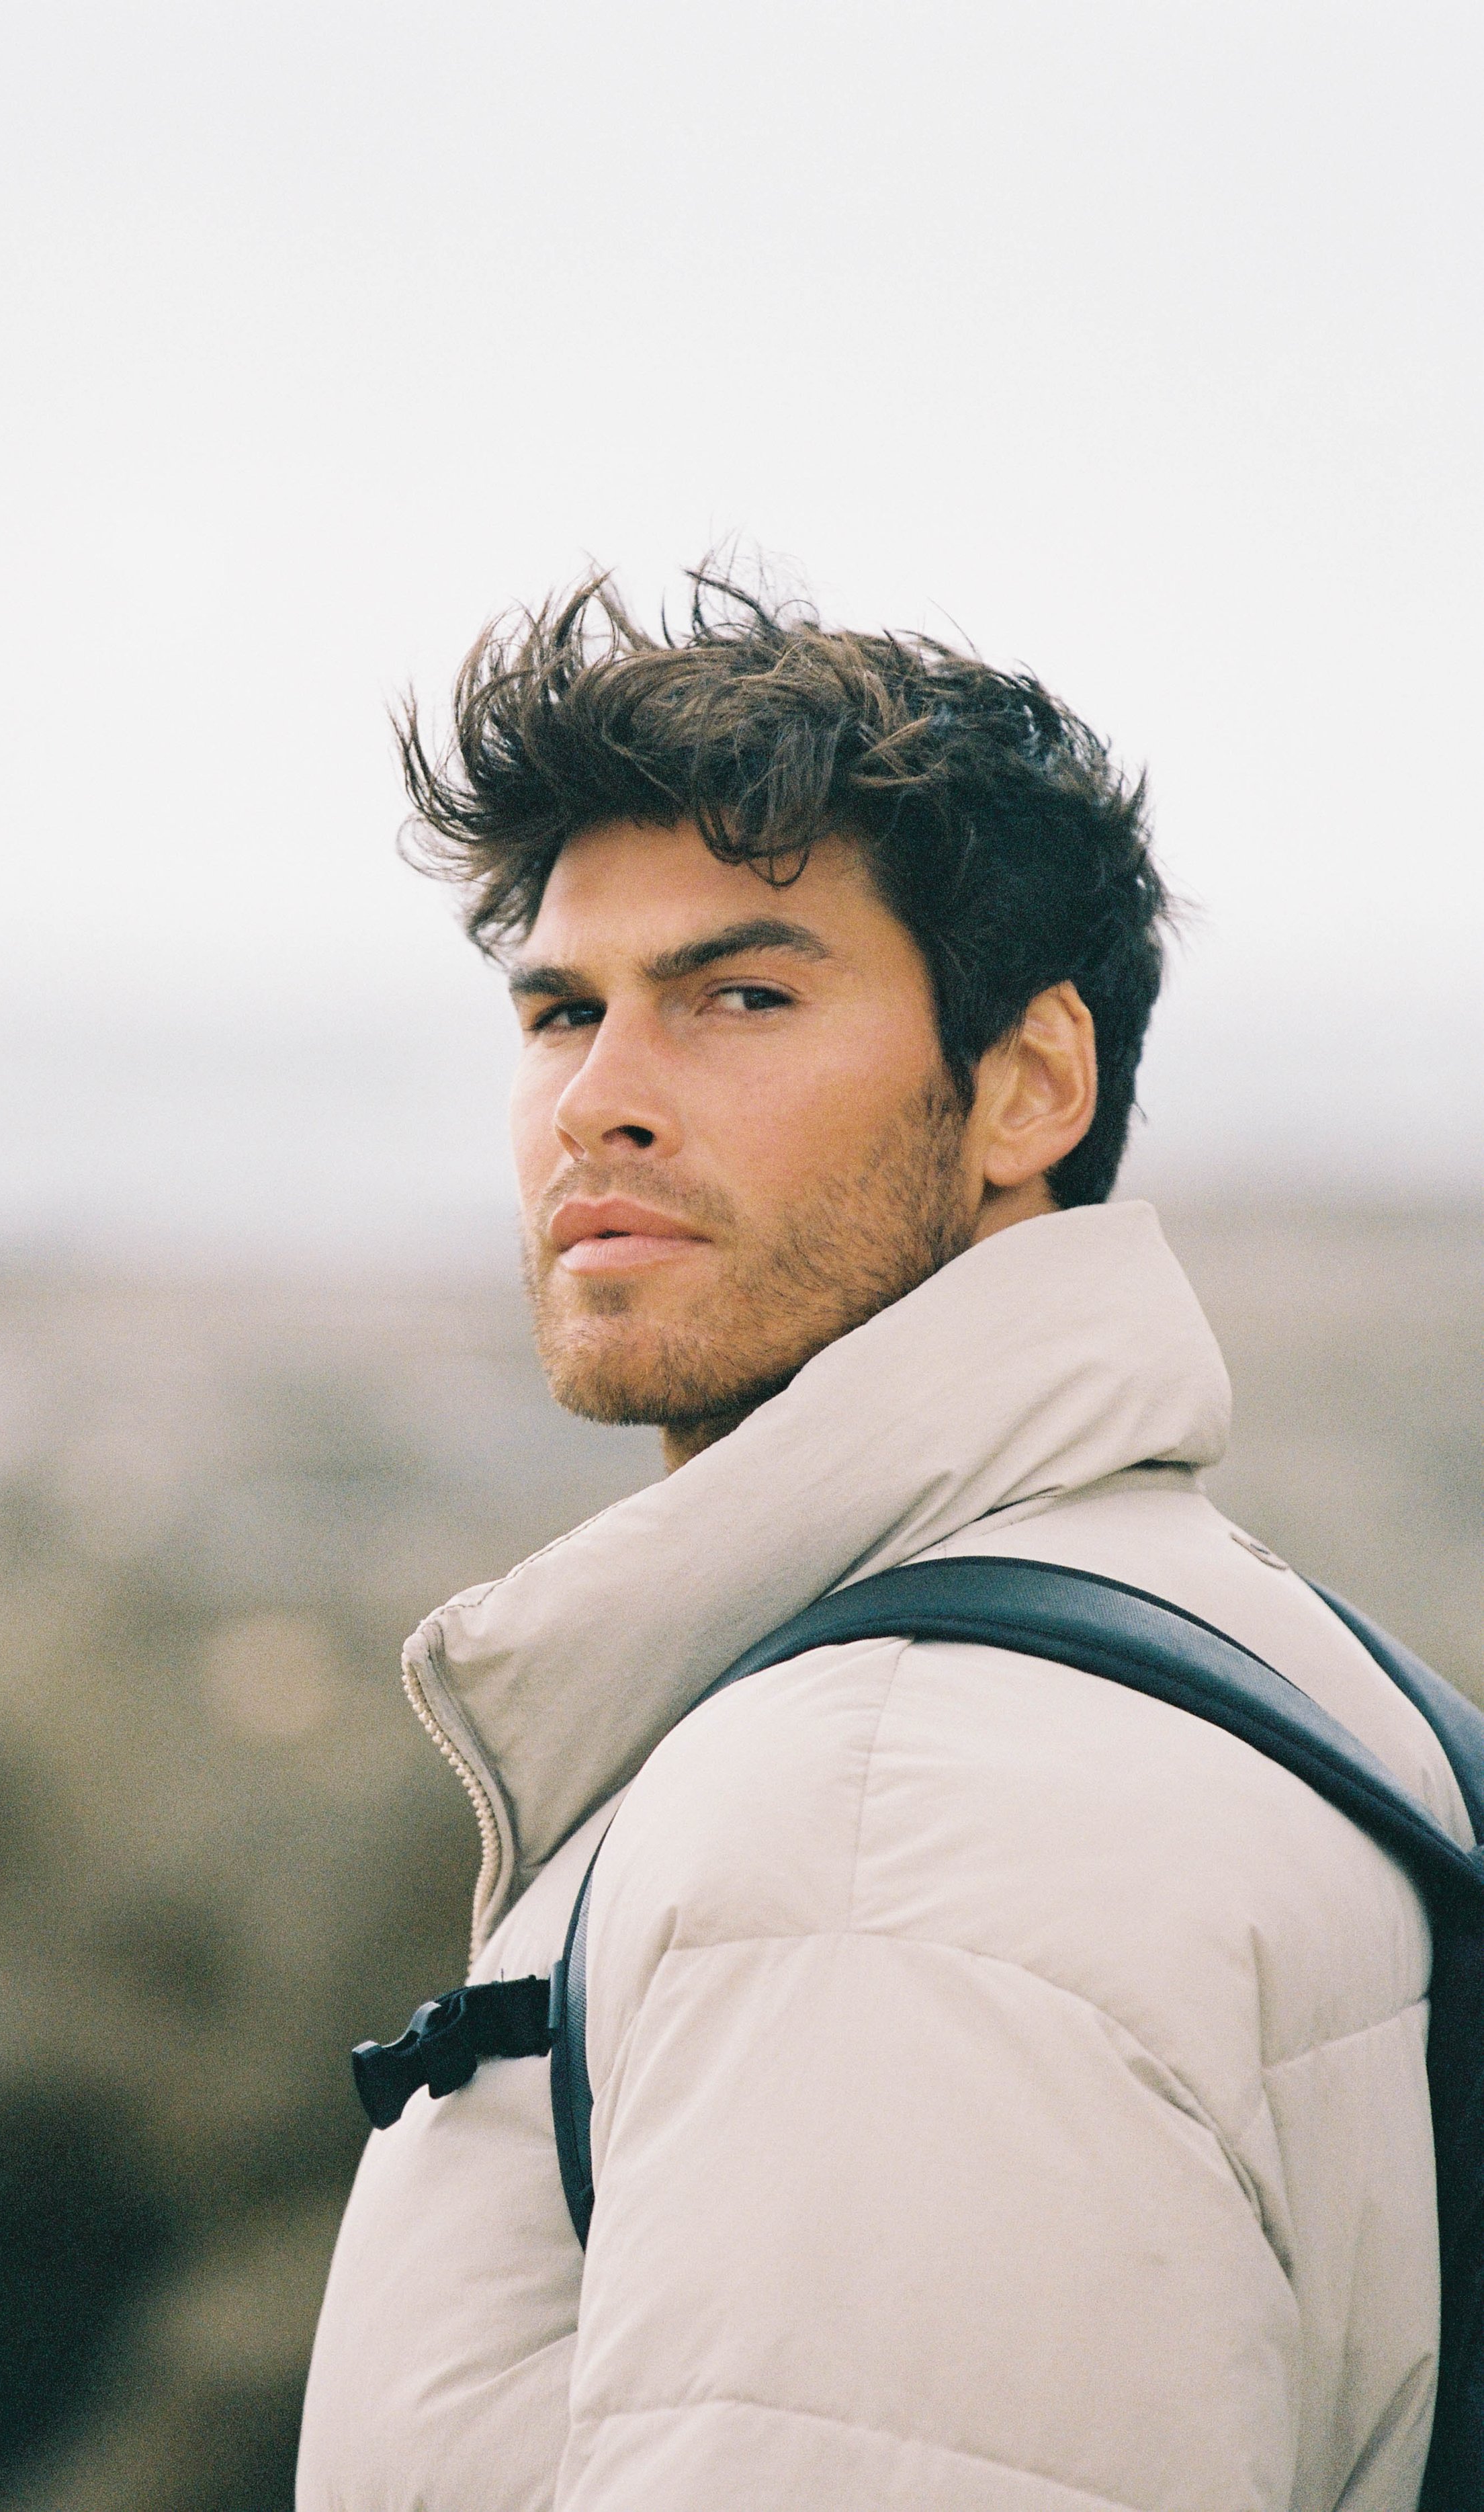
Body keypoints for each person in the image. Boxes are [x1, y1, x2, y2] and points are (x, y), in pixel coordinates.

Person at [297, 573, 1466, 2512]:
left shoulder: (876, 1832)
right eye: (560, 1010)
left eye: (738, 994)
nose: (598, 1102)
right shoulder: (1231, 1634)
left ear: (1028, 1084)